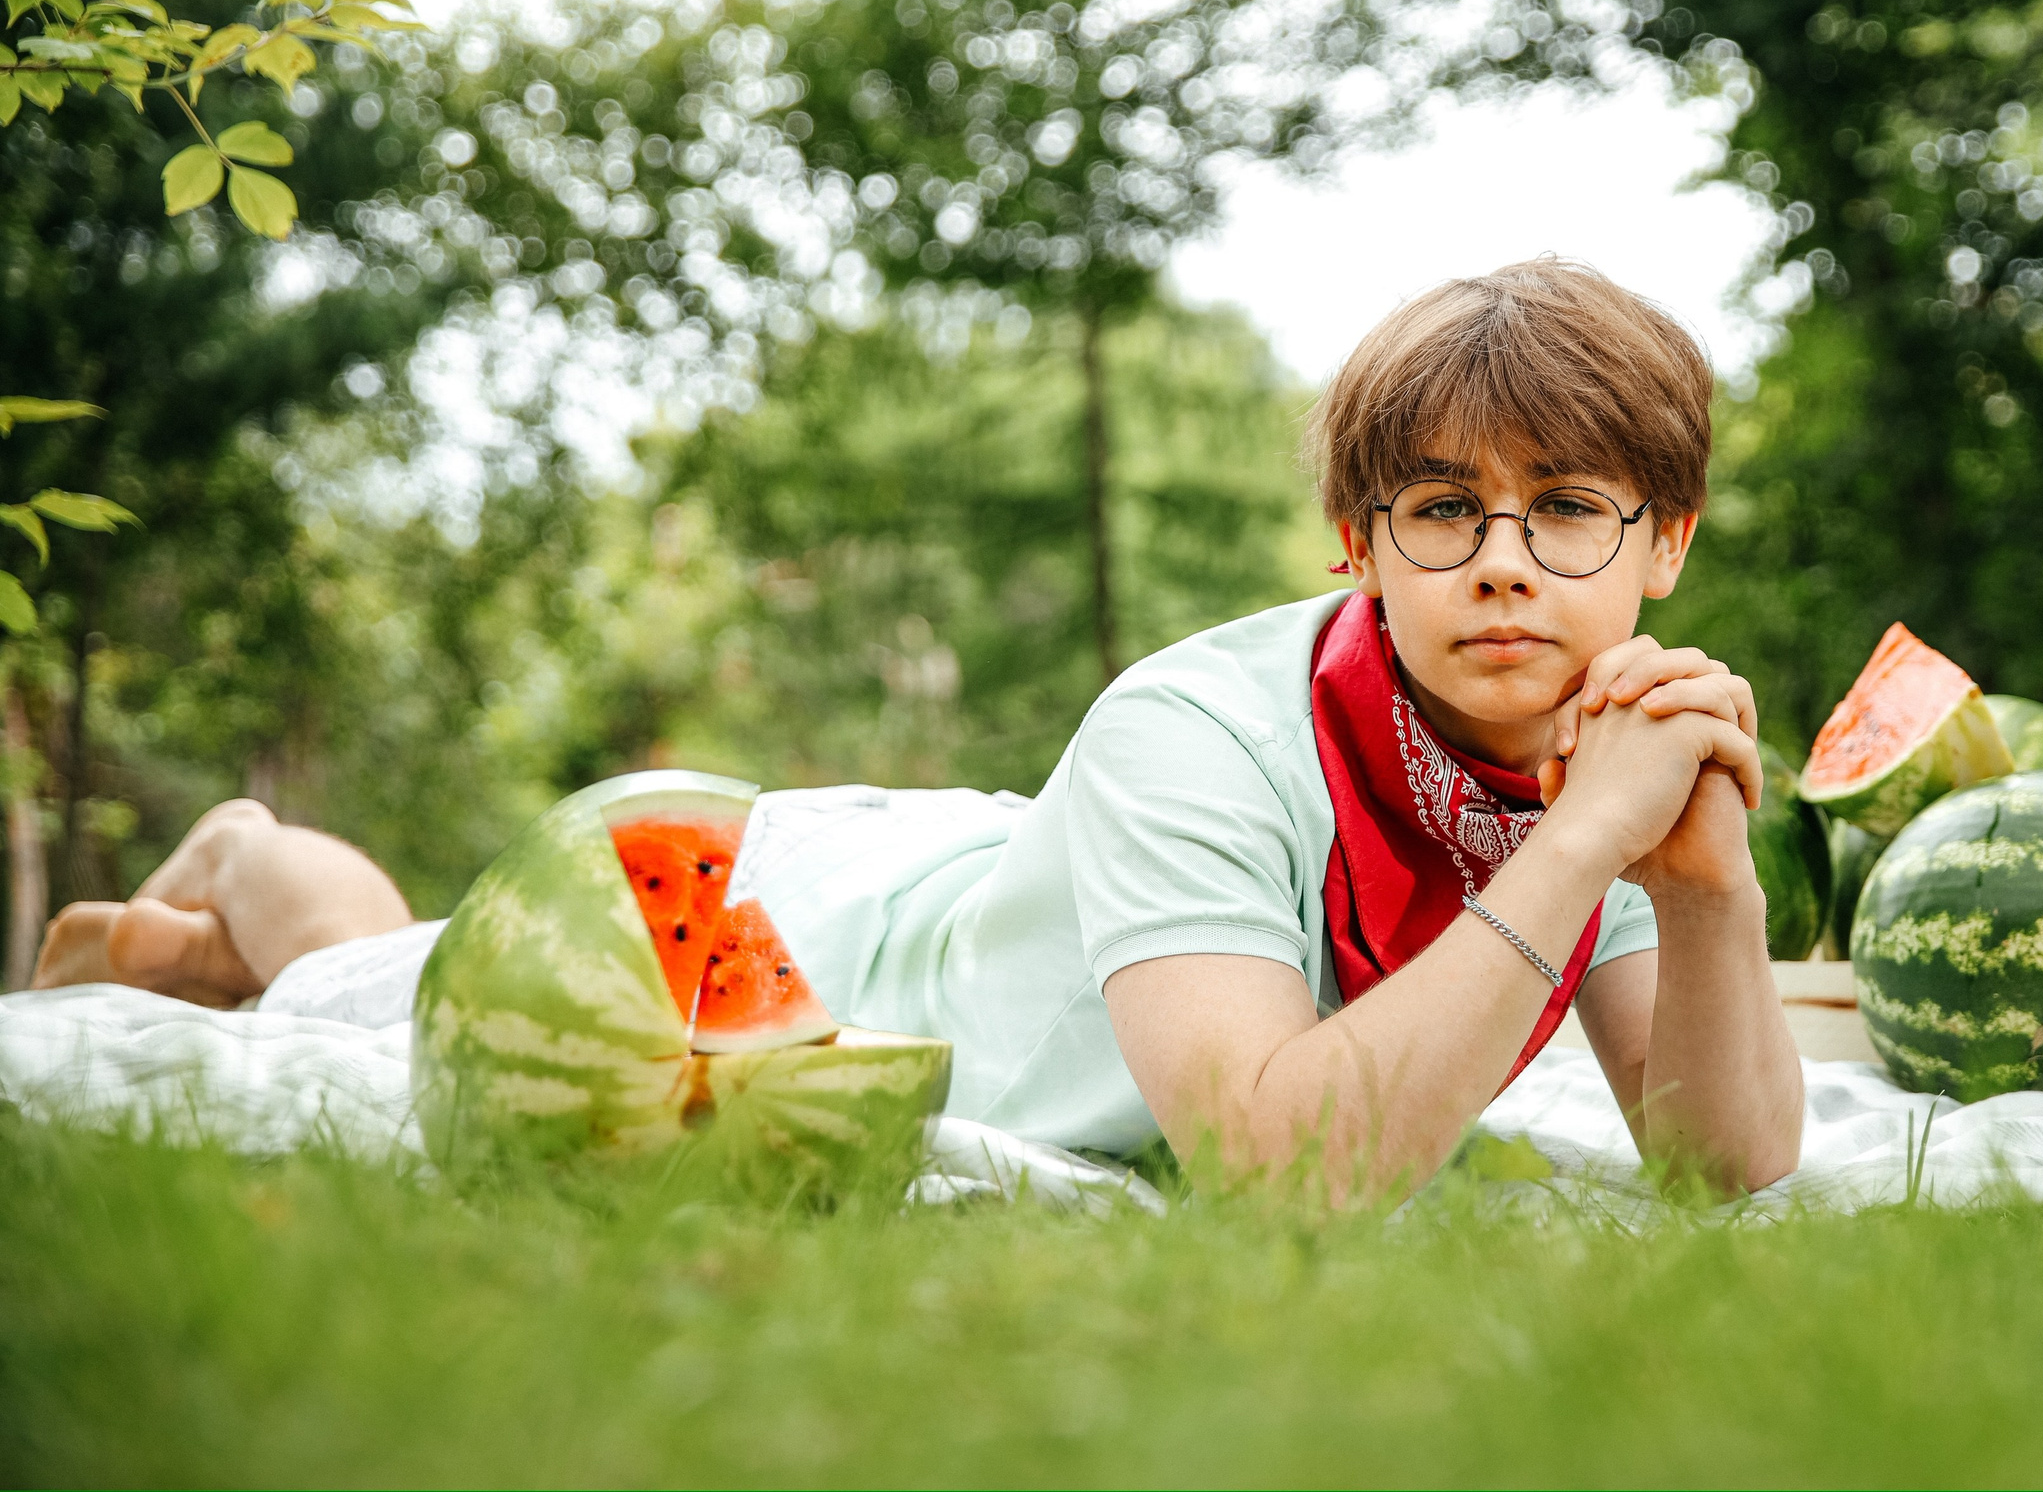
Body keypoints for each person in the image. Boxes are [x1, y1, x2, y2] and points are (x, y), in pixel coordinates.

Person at [37, 259, 1804, 1199]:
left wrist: (1703, 885)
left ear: (1665, 545)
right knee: (369, 980)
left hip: (973, 868)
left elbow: (1721, 1172)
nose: (1505, 566)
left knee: (362, 975)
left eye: (1569, 507)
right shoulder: (1205, 725)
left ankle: (187, 931)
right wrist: (1582, 850)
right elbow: (1287, 1174)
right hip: (745, 925)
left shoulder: (1598, 746)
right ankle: (244, 861)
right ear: (1357, 544)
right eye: (1441, 511)